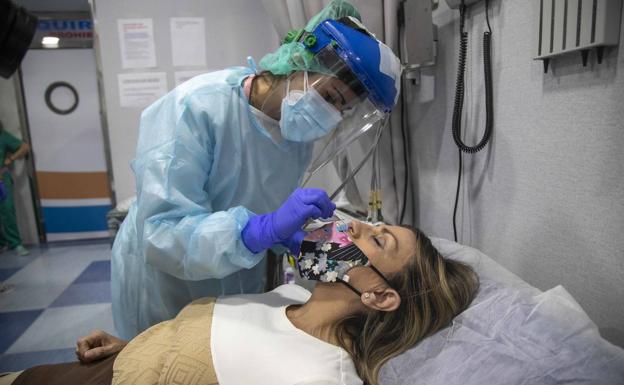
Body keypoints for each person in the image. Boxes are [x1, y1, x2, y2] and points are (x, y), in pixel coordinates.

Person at [112, 0, 403, 340]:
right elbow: (163, 235)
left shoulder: (294, 135)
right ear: (300, 59)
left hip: (234, 278)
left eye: (344, 110)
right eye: (332, 96)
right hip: (166, 282)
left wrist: (324, 253)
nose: (332, 115)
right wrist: (258, 230)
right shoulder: (196, 108)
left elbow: (273, 217)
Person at [1, 221, 479, 385]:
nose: (353, 227)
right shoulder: (288, 296)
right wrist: (131, 347)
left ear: (379, 295)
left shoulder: (319, 378)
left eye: (379, 239)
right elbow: (217, 355)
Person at [0, 120, 30, 256]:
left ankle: (16, 243)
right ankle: (2, 243)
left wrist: (11, 158)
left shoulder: (3, 136)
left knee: (7, 211)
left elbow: (24, 147)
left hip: (1, 179)